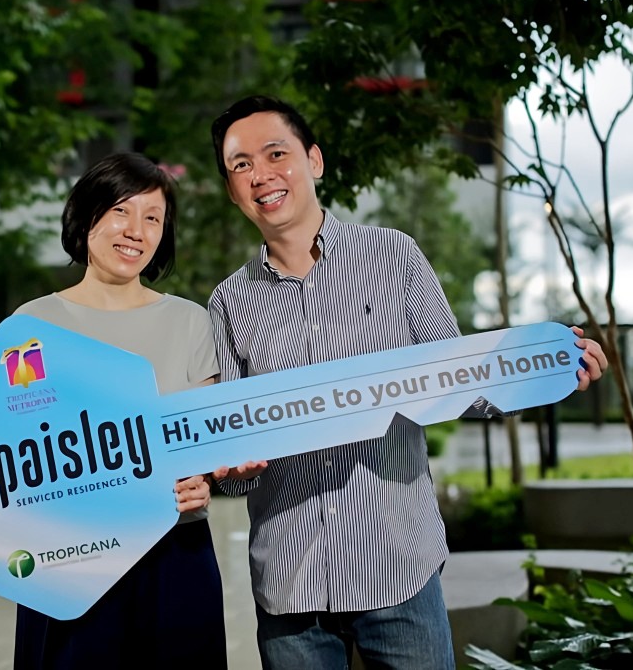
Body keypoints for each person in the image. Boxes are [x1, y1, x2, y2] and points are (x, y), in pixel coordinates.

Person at [207, 95, 608, 669]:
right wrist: (234, 468)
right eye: (240, 165)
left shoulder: (394, 258)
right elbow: (233, 459)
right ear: (231, 189)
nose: (260, 175)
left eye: (275, 153)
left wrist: (547, 371)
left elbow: (461, 380)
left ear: (314, 160)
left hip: (397, 566)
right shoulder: (226, 303)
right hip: (289, 582)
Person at [0, 152, 227, 669]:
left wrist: (204, 482)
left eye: (153, 218)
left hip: (173, 559)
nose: (136, 230)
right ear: (87, 218)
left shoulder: (189, 323)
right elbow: (8, 477)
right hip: (66, 564)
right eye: (121, 211)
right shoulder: (30, 326)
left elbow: (204, 452)